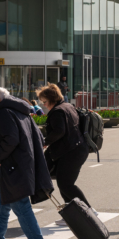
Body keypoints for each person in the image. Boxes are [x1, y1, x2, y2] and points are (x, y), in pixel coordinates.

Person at [0, 87, 53, 239]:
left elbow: (11, 139)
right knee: (1, 203)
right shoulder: (20, 109)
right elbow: (39, 137)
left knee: (21, 205)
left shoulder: (4, 112)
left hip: (13, 166)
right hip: (21, 164)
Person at [38, 83, 90, 212]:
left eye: (44, 102)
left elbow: (59, 131)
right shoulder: (68, 106)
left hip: (72, 152)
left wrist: (45, 142)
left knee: (66, 184)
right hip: (76, 149)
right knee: (63, 183)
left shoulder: (57, 111)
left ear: (51, 99)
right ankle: (72, 212)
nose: (44, 105)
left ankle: (88, 211)